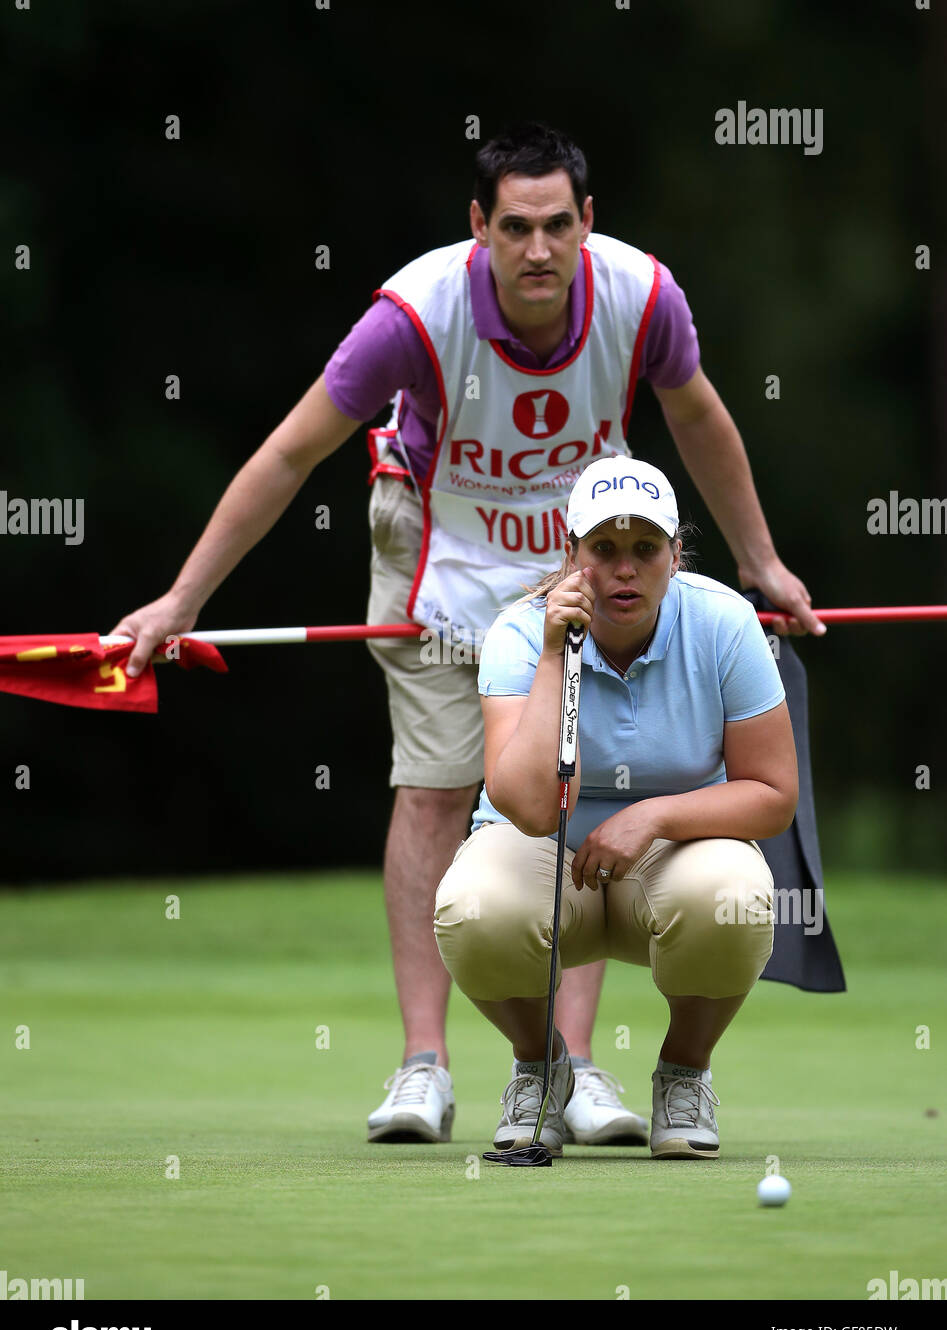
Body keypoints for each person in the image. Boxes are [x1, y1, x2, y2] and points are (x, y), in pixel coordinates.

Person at [111, 121, 829, 1148]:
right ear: (477, 228)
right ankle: (423, 1065)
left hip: (592, 539)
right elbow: (287, 454)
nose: (536, 249)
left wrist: (757, 561)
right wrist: (181, 601)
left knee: (576, 783)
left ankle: (572, 1071)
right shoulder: (410, 315)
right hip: (440, 536)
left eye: (554, 225)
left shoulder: (641, 296)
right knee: (439, 785)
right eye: (512, 227)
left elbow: (699, 416)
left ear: (587, 222)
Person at [433, 456, 798, 1157]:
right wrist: (551, 656)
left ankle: (683, 1074)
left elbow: (771, 796)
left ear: (674, 555)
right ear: (570, 556)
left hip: (671, 860)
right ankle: (541, 1068)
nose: (623, 570)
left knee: (729, 899)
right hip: (541, 853)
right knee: (474, 911)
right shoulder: (518, 633)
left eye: (644, 550)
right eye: (602, 550)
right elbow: (529, 809)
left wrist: (655, 816)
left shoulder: (724, 622)